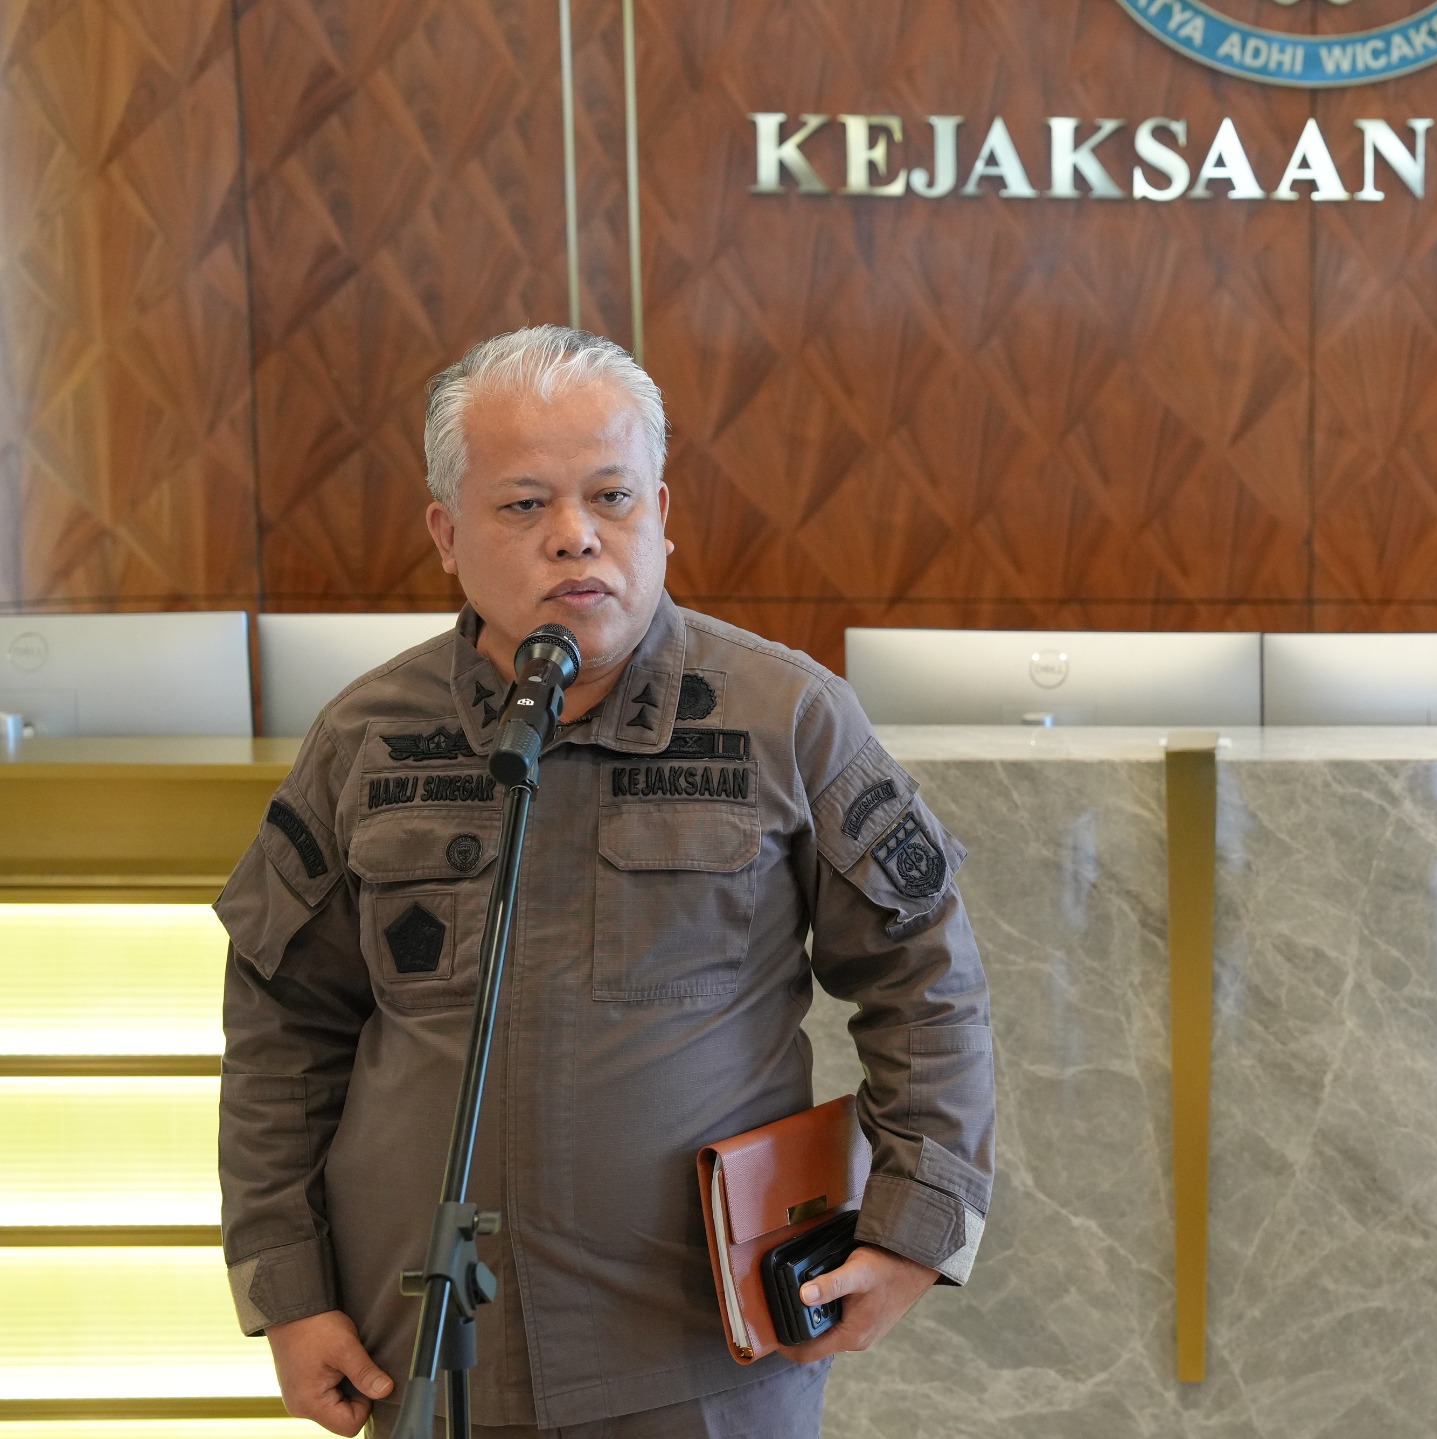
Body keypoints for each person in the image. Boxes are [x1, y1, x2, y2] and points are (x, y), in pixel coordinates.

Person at [215, 327, 996, 1437]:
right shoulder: (367, 738)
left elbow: (926, 984)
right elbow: (281, 1028)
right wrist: (288, 1292)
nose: (576, 534)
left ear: (662, 513)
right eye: (524, 504)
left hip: (700, 1354)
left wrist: (915, 1230)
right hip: (429, 1350)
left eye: (612, 497)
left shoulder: (787, 717)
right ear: (447, 533)